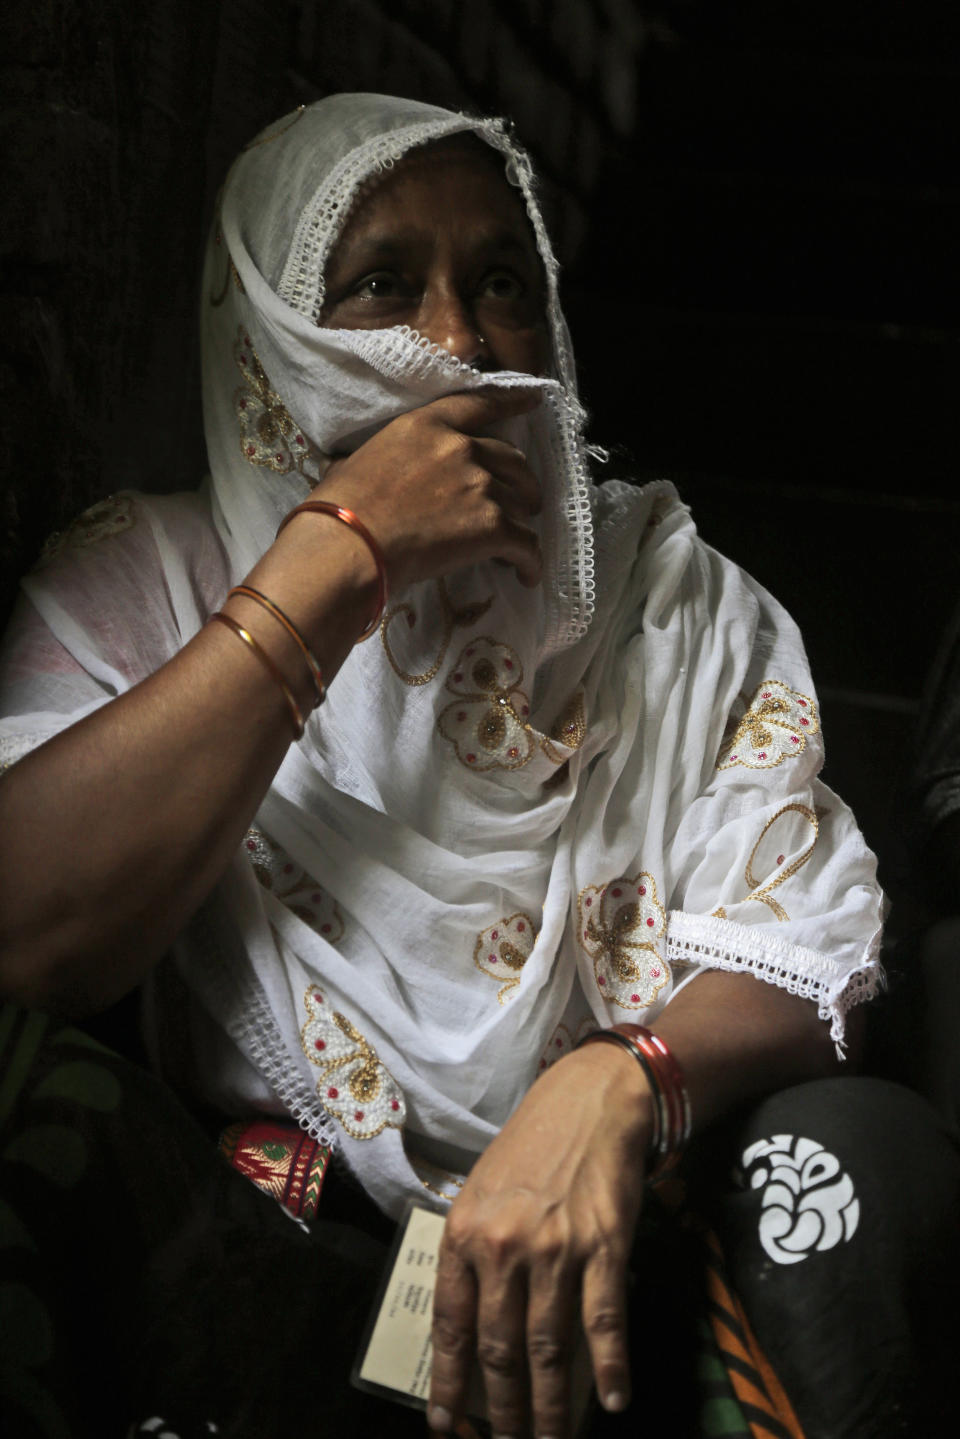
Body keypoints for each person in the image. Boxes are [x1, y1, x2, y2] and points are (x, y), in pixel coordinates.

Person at [0, 93, 954, 1439]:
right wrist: (337, 562)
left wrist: (616, 1083)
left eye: (501, 282)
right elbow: (25, 941)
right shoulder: (144, 585)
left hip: (619, 1273)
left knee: (869, 1155)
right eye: (382, 285)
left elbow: (813, 943)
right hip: (267, 1272)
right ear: (266, 337)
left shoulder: (661, 598)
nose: (458, 344)